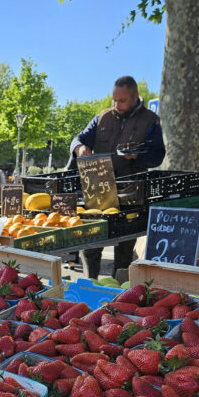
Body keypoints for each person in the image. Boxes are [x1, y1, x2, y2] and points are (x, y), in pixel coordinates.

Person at [70, 75, 166, 279]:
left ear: (135, 97)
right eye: (115, 99)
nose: (117, 104)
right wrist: (80, 147)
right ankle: (89, 283)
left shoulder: (150, 121)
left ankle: (120, 293)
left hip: (131, 193)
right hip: (98, 189)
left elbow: (158, 155)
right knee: (91, 244)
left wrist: (138, 157)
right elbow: (79, 138)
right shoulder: (102, 117)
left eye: (122, 100)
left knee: (125, 248)